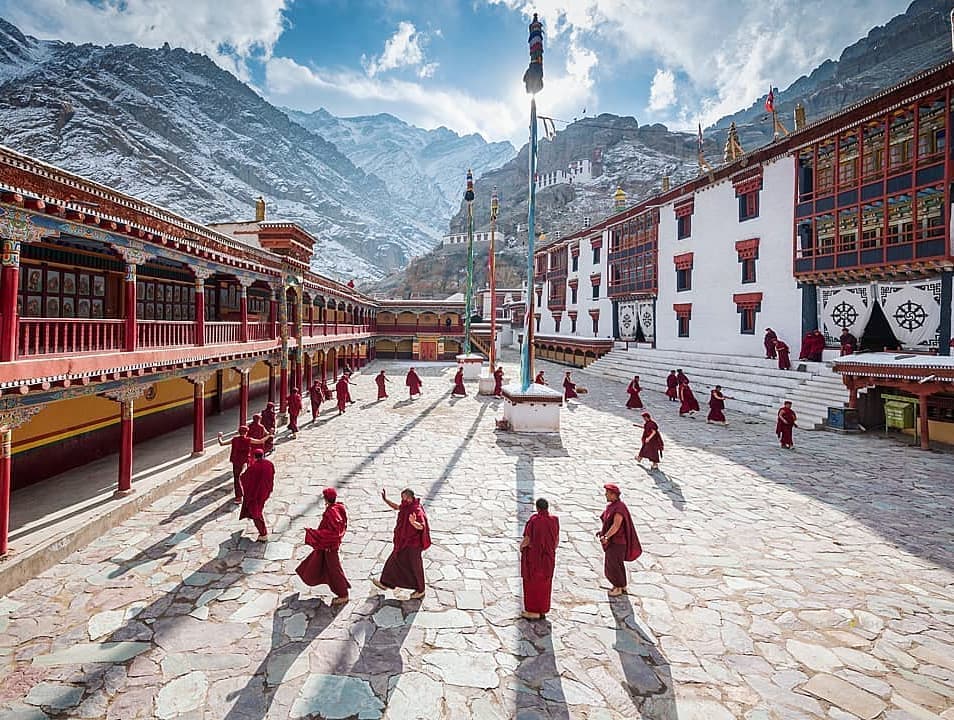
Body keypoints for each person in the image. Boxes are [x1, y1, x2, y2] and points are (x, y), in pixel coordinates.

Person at [295, 487, 350, 605]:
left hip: (329, 547)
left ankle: (343, 595)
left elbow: (333, 533)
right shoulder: (339, 507)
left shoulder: (331, 512)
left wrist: (313, 533)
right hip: (327, 546)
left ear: (326, 499)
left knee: (335, 570)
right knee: (316, 561)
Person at [372, 488, 431, 599]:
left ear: (409, 498)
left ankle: (421, 590)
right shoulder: (407, 506)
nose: (402, 500)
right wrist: (386, 500)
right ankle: (385, 583)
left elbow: (421, 526)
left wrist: (413, 523)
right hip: (404, 543)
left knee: (415, 567)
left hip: (413, 545)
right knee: (393, 560)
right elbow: (397, 507)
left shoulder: (416, 509)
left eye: (404, 498)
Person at [597, 484, 642, 597]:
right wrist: (602, 532)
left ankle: (617, 587)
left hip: (617, 542)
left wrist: (606, 537)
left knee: (614, 565)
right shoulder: (612, 506)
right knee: (616, 564)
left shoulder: (619, 508)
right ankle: (622, 585)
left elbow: (616, 526)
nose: (605, 495)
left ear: (613, 495)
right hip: (614, 541)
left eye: (607, 493)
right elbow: (608, 524)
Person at [520, 497, 559, 620]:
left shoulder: (534, 520)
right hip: (548, 559)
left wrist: (521, 547)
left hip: (534, 559)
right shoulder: (554, 520)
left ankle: (533, 611)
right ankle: (543, 609)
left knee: (533, 584)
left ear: (537, 508)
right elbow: (556, 540)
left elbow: (527, 539)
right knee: (545, 584)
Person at [239, 449, 275, 542]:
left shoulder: (254, 467)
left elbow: (244, 478)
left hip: (255, 495)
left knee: (256, 513)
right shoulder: (269, 464)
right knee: (258, 509)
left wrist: (243, 469)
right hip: (265, 492)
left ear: (254, 457)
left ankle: (263, 534)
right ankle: (262, 532)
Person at [217, 425, 250, 503]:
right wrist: (269, 434)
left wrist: (219, 437)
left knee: (237, 478)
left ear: (239, 432)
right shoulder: (248, 440)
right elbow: (260, 441)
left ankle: (239, 497)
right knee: (243, 478)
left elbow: (222, 443)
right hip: (244, 462)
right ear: (246, 432)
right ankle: (244, 495)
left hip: (236, 462)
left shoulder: (234, 440)